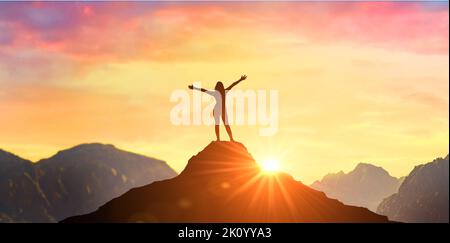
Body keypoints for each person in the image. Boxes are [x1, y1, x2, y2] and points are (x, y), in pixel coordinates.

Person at [188, 75, 247, 142]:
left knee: (225, 124)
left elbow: (233, 84)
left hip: (221, 110)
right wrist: (194, 88)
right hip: (217, 110)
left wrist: (240, 79)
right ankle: (220, 139)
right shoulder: (220, 92)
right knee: (219, 124)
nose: (219, 88)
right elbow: (204, 90)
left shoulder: (221, 92)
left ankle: (230, 138)